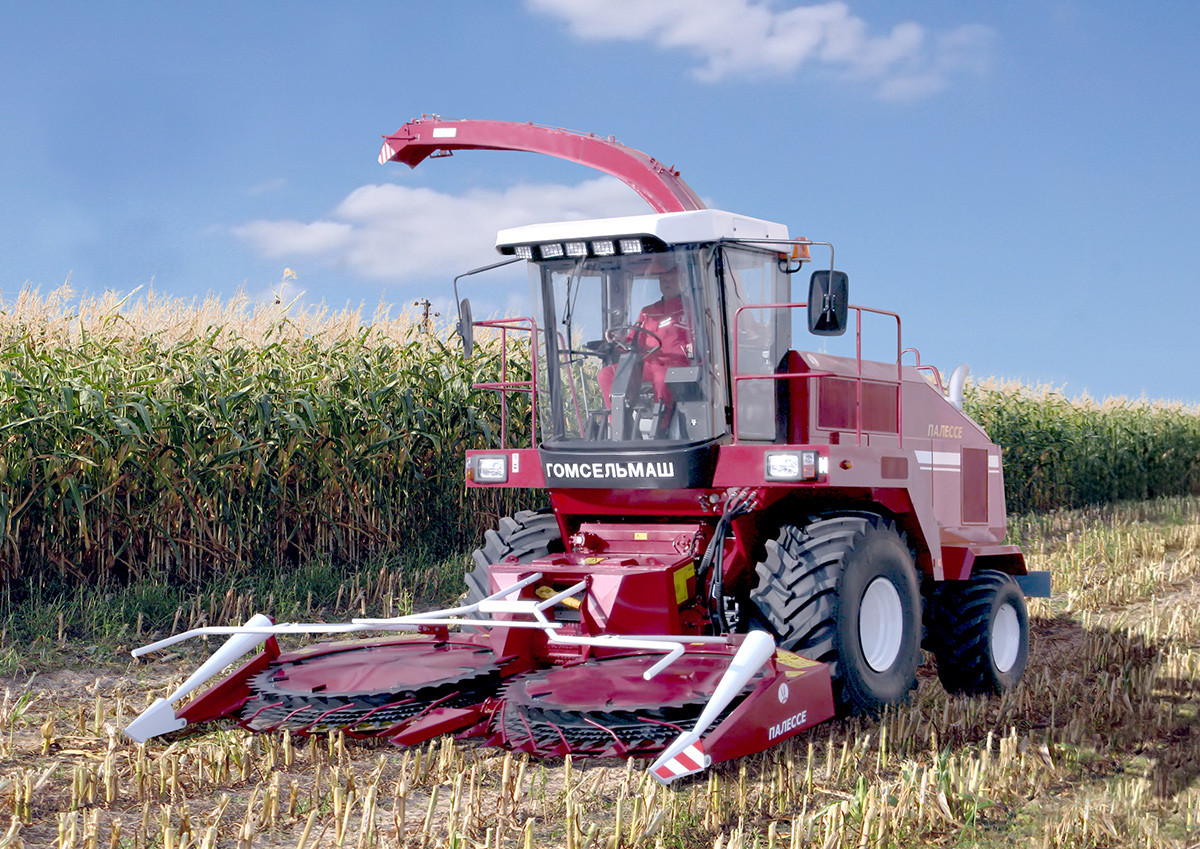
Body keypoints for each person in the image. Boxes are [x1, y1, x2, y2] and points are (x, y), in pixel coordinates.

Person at [598, 267, 694, 407]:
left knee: (661, 378)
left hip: (676, 364)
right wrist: (619, 339)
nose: (667, 283)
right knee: (607, 374)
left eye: (672, 279)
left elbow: (703, 340)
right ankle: (618, 423)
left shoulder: (691, 309)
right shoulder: (647, 312)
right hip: (647, 365)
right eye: (663, 280)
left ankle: (662, 424)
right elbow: (633, 342)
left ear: (682, 282)